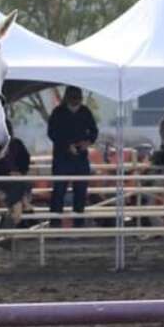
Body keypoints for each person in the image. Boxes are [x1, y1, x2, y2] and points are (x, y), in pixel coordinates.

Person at [47, 86, 99, 227]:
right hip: (61, 158)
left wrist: (87, 142)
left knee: (81, 192)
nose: (76, 102)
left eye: (78, 99)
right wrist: (66, 145)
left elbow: (94, 131)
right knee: (58, 192)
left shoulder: (85, 111)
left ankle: (79, 225)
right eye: (73, 99)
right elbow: (52, 133)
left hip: (81, 158)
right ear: (67, 98)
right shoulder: (58, 112)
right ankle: (55, 225)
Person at [0, 119, 33, 229]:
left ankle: (17, 216)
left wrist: (19, 172)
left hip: (19, 177)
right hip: (0, 179)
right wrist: (8, 174)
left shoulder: (17, 144)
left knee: (22, 184)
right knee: (17, 187)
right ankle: (25, 211)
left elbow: (25, 160)